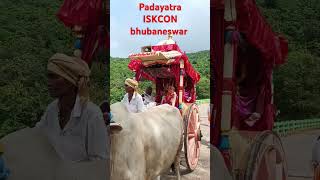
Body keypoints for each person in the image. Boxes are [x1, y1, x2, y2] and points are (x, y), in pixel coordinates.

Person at [35, 53, 107, 162]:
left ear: (70, 81)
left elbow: (100, 162)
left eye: (54, 77)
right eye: (48, 77)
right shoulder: (52, 109)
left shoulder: (92, 114)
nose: (49, 82)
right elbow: (36, 136)